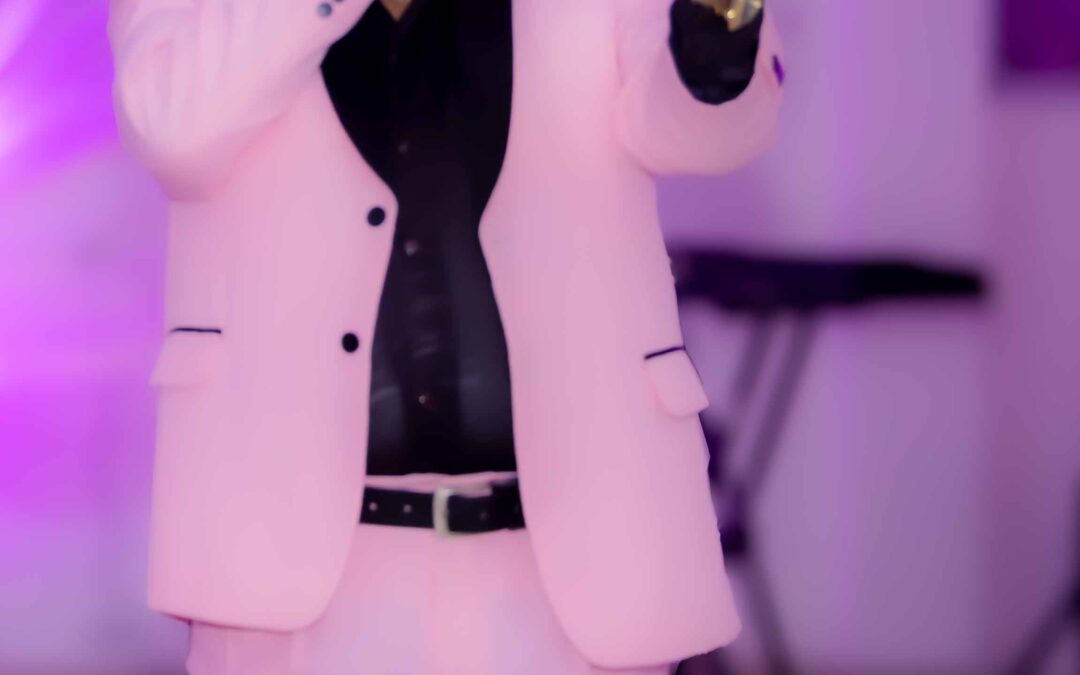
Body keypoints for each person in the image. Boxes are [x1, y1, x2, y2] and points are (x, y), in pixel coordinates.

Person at [107, 0, 784, 672]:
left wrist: (719, 23)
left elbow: (706, 131)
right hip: (287, 562)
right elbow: (171, 129)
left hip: (576, 561)